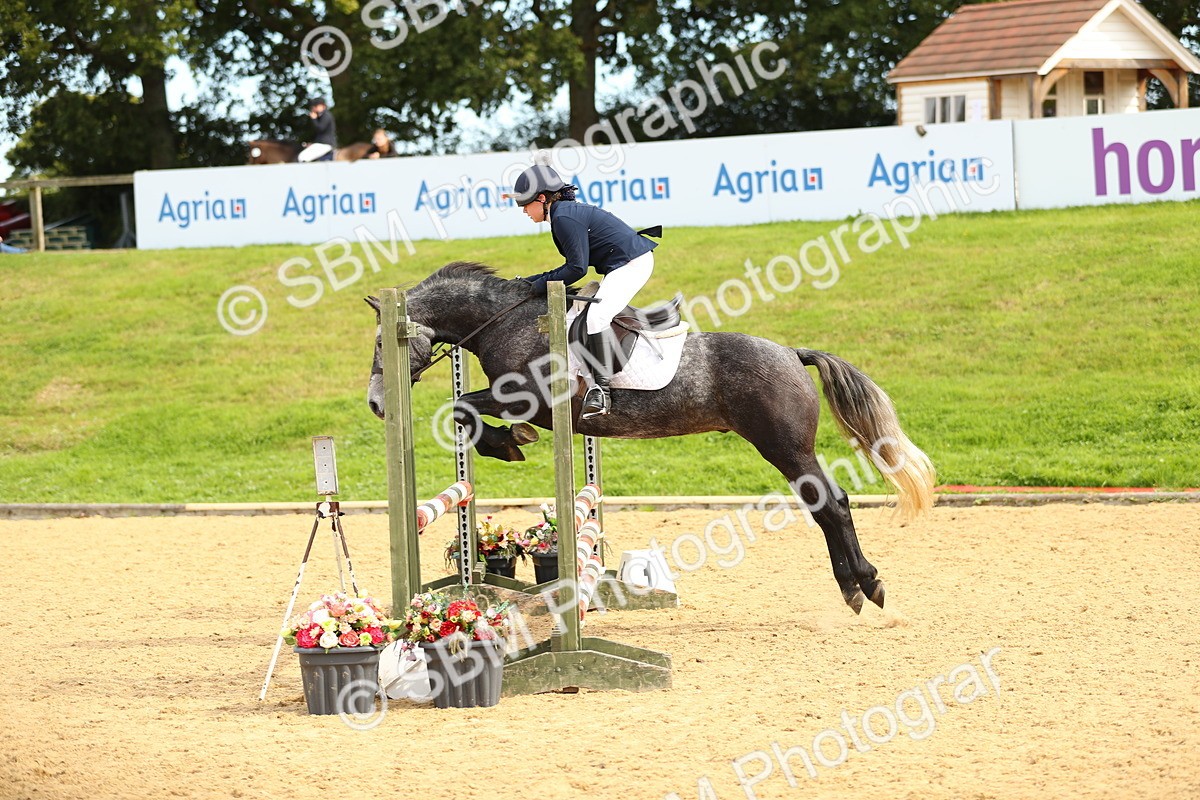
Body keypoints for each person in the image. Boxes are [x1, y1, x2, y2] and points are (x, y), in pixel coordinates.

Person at [504, 164, 658, 419]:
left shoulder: (563, 217)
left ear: (542, 198)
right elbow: (572, 267)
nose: (523, 210)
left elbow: (576, 269)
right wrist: (530, 282)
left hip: (633, 263)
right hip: (624, 263)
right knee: (584, 315)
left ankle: (601, 391)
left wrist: (535, 286)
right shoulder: (562, 213)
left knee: (596, 316)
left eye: (525, 203)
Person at [298, 98, 337, 162]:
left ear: (323, 106)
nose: (314, 108)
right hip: (322, 143)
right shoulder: (321, 116)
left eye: (316, 106)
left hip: (326, 144)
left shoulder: (326, 115)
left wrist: (314, 119)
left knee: (302, 157)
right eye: (313, 106)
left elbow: (320, 129)